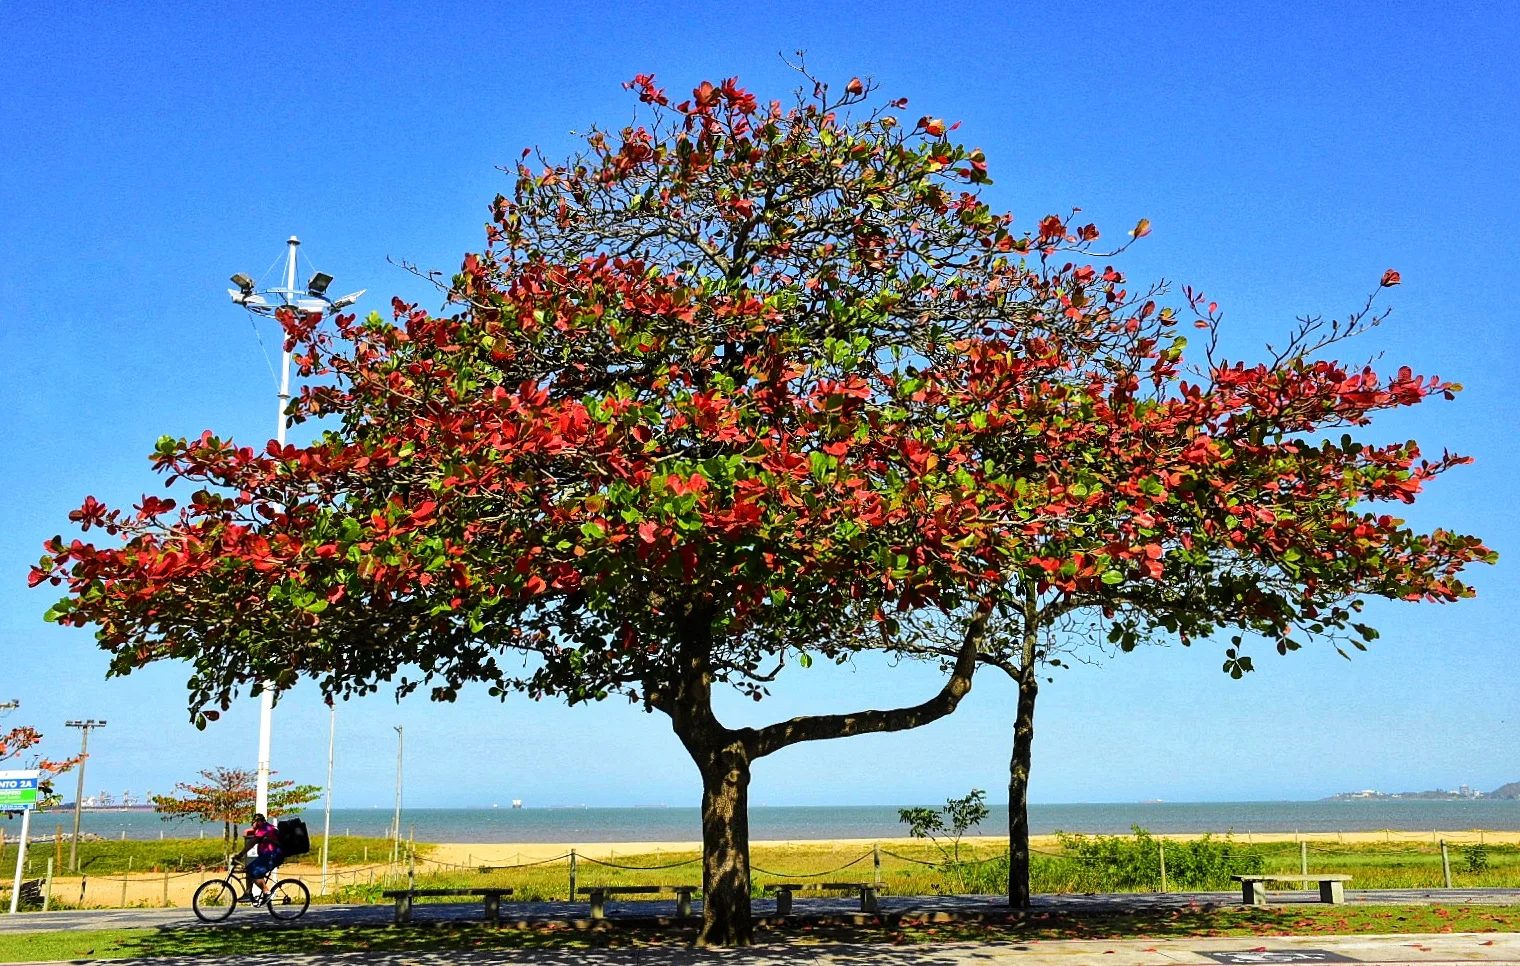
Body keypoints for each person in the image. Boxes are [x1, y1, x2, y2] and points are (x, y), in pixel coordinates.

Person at [242, 813, 283, 903]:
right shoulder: (268, 827)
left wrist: (240, 854)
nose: (252, 825)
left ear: (258, 821)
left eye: (253, 823)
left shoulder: (265, 828)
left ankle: (266, 892)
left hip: (271, 856)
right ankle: (248, 893)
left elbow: (253, 842)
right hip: (268, 856)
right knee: (249, 868)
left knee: (254, 872)